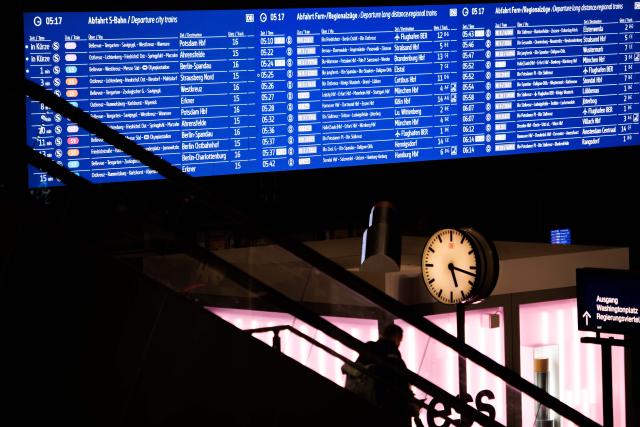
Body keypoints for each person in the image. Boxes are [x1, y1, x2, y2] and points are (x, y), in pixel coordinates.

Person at [345, 324, 418, 427]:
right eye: (400, 341)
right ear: (397, 338)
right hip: (384, 404)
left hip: (360, 401)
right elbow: (399, 383)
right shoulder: (394, 356)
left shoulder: (369, 347)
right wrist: (412, 402)